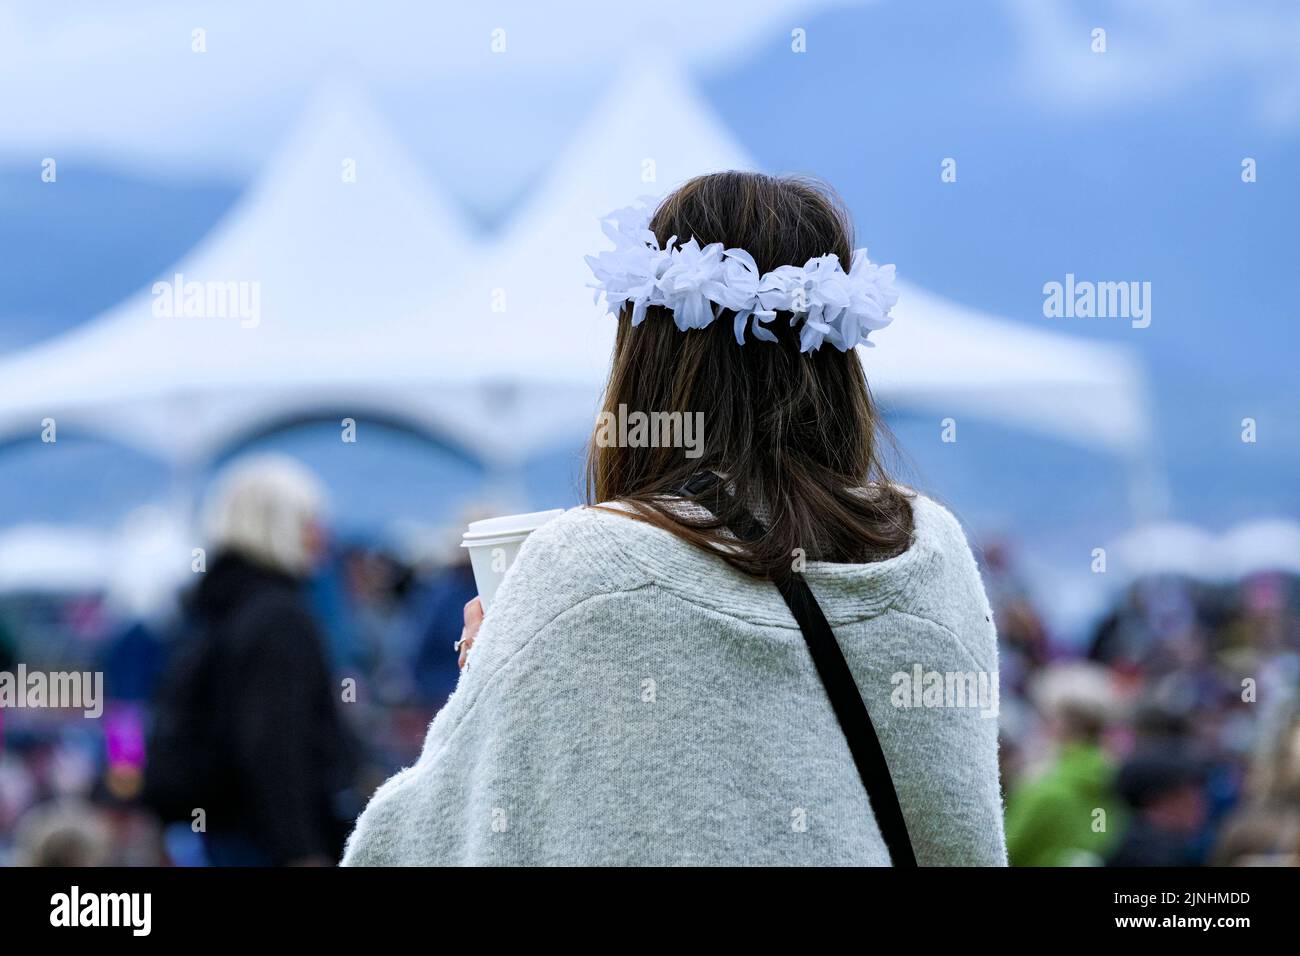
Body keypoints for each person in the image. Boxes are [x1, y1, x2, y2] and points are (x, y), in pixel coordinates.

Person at [343, 172, 1006, 866]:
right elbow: (962, 841)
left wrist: (494, 683)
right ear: (842, 355)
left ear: (646, 357)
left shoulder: (585, 568)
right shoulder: (933, 556)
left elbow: (413, 846)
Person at [144, 455, 358, 866]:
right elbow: (274, 745)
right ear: (278, 526)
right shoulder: (280, 617)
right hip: (266, 844)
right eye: (309, 521)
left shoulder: (218, 608)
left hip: (222, 835)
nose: (322, 536)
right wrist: (302, 851)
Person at [1004, 663, 1125, 866]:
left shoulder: (1045, 789)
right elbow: (1102, 837)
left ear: (1059, 723)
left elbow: (1004, 851)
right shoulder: (1110, 779)